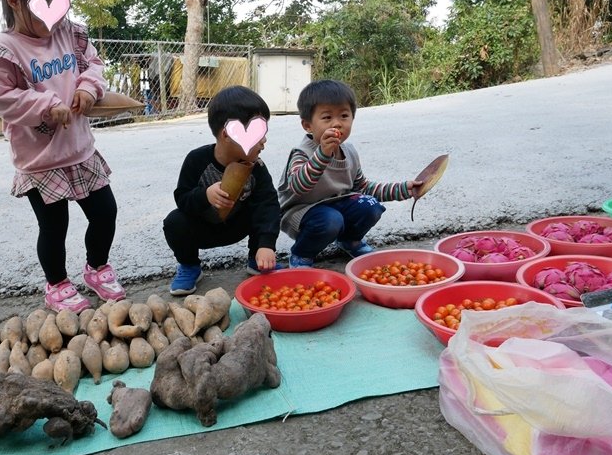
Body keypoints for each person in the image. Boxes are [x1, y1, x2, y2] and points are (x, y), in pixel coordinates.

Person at [0, 0, 125, 313]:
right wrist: (46, 105)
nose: (57, 13)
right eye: (46, 2)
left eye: (61, 3)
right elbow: (1, 99)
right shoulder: (4, 51)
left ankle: (97, 267)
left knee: (105, 212)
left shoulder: (69, 35)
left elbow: (93, 64)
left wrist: (89, 87)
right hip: (40, 159)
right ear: (15, 0)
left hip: (79, 149)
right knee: (54, 226)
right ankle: (57, 284)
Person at [277, 79, 421, 268]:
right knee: (330, 220)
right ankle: (302, 253)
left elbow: (363, 187)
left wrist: (403, 189)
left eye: (344, 116)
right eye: (327, 118)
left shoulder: (350, 152)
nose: (337, 124)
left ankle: (349, 241)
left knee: (370, 205)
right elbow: (298, 186)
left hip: (335, 206)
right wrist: (322, 154)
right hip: (302, 212)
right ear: (307, 125)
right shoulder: (302, 153)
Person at [163, 85, 282, 296]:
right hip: (204, 228)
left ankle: (256, 259)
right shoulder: (197, 160)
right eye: (257, 134)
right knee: (174, 221)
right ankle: (190, 266)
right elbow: (182, 198)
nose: (264, 141)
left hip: (237, 226)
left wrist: (266, 244)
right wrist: (205, 195)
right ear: (228, 134)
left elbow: (268, 204)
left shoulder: (256, 166)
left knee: (263, 206)